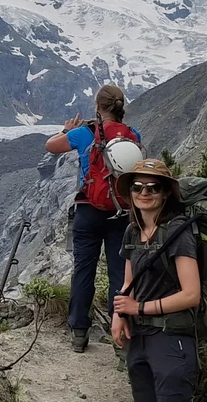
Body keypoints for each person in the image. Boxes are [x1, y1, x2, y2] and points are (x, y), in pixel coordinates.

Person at [108, 158, 202, 402]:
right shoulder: (132, 230)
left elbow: (190, 294)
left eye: (152, 187)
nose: (144, 193)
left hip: (172, 338)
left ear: (166, 193)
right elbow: (130, 281)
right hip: (142, 338)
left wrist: (140, 311)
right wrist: (119, 315)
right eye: (137, 187)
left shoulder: (179, 234)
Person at [43, 85, 140, 352]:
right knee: (120, 274)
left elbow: (51, 146)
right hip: (122, 213)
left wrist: (66, 130)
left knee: (83, 269)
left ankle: (79, 332)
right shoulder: (132, 134)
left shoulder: (85, 133)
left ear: (98, 106)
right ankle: (120, 332)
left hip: (88, 210)